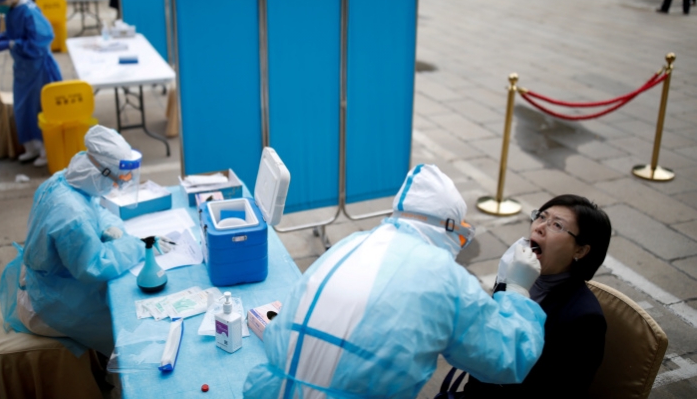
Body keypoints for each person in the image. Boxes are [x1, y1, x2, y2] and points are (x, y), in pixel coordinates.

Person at [243, 164, 546, 398]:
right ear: (449, 227)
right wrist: (517, 290)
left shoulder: (351, 244)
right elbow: (509, 359)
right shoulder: (444, 277)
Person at [0, 125, 145, 356]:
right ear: (101, 173)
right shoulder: (72, 217)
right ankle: (115, 372)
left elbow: (94, 206)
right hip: (47, 304)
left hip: (45, 285)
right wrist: (138, 246)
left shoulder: (64, 180)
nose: (117, 185)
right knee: (129, 325)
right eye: (117, 180)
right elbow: (95, 265)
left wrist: (110, 226)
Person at [465, 194, 611, 399]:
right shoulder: (515, 274)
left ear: (580, 250)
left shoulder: (585, 318)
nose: (539, 227)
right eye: (541, 217)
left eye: (557, 225)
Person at [0, 0, 62, 166]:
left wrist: (11, 44)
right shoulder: (12, 9)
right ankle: (31, 147)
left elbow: (40, 43)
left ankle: (45, 150)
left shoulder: (29, 11)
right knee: (23, 108)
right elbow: (16, 32)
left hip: (38, 68)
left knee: (38, 109)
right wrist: (2, 37)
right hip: (23, 68)